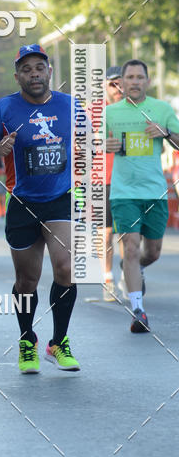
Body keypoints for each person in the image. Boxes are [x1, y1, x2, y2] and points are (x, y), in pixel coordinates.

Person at [0, 44, 81, 374]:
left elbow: (89, 141)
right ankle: (26, 339)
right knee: (27, 281)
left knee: (65, 268)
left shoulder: (71, 106)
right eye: (27, 69)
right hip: (21, 201)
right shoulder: (3, 109)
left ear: (50, 72)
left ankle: (58, 342)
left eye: (39, 67)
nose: (34, 73)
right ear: (17, 76)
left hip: (60, 198)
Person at [106, 59, 179, 333]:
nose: (135, 82)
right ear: (121, 83)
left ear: (147, 82)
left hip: (155, 192)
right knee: (133, 247)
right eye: (130, 77)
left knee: (152, 252)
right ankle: (138, 311)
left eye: (140, 77)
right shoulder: (110, 113)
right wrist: (104, 144)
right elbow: (89, 145)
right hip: (124, 193)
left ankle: (130, 266)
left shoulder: (161, 109)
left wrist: (166, 132)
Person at [101, 66, 124, 301]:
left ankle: (130, 273)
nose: (117, 89)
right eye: (112, 84)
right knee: (106, 234)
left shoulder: (138, 111)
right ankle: (108, 279)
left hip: (131, 181)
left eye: (120, 83)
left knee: (129, 234)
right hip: (104, 180)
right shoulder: (96, 113)